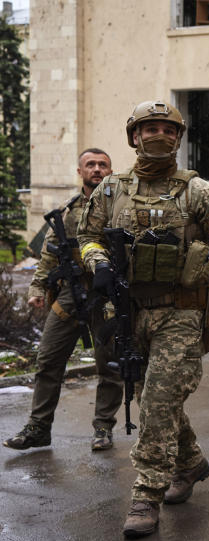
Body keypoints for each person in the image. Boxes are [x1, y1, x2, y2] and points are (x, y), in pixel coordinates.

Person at [77, 101, 209, 538]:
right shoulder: (109, 191)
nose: (159, 135)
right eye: (149, 128)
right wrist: (98, 262)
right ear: (134, 137)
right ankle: (191, 463)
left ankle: (146, 495)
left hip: (182, 311)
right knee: (151, 395)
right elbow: (87, 236)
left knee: (159, 400)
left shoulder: (198, 192)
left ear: (179, 138)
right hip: (128, 311)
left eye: (167, 129)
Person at [4, 149, 123, 452]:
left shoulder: (122, 207)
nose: (96, 169)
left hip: (109, 294)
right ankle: (39, 427)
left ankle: (103, 428)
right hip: (72, 292)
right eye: (90, 165)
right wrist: (37, 289)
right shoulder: (66, 211)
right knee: (48, 359)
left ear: (111, 170)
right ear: (80, 171)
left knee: (109, 364)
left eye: (102, 165)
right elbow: (48, 254)